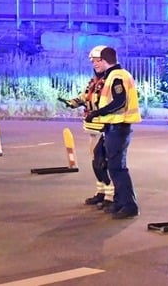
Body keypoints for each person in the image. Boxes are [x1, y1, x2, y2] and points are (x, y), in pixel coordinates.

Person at [85, 46, 141, 219]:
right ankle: (119, 202)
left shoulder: (117, 76)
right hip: (111, 127)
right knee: (102, 159)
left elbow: (120, 101)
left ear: (103, 59)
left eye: (96, 60)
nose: (95, 64)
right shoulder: (113, 75)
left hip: (119, 127)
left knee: (118, 168)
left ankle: (129, 205)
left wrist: (98, 112)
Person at [64, 45, 114, 210]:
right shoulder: (95, 81)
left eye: (98, 60)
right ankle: (101, 192)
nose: (95, 64)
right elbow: (87, 96)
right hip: (92, 128)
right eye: (93, 61)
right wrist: (73, 102)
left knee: (103, 163)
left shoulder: (110, 80)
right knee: (96, 162)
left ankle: (110, 195)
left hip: (105, 128)